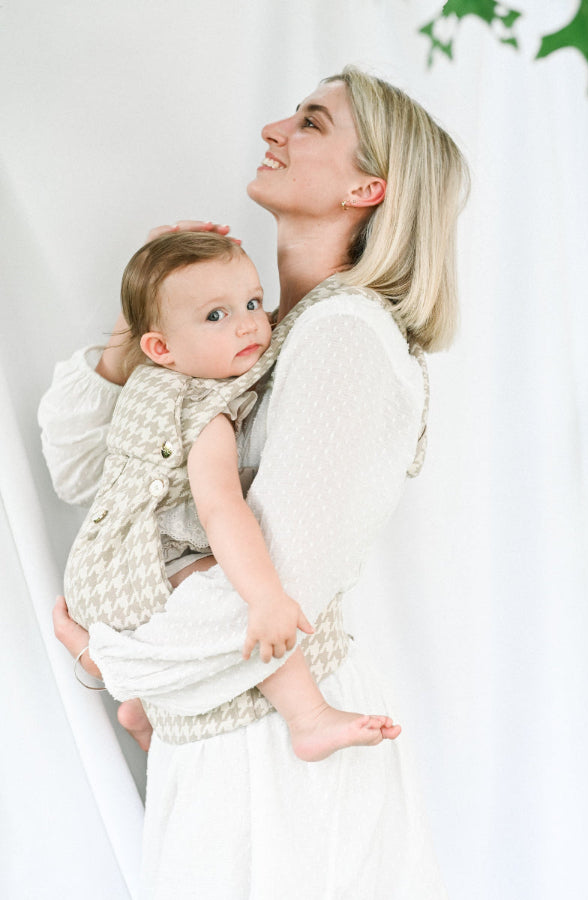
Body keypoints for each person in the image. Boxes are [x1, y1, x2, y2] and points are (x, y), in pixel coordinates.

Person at [41, 65, 468, 898]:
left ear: (368, 186)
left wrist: (112, 656)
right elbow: (83, 471)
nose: (274, 127)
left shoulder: (344, 336)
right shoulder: (253, 337)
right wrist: (148, 330)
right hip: (225, 738)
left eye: (310, 122)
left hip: (278, 756)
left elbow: (274, 596)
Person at [64, 228, 401, 760]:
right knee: (241, 590)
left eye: (253, 302)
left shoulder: (150, 380)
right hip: (130, 568)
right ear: (160, 346)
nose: (248, 323)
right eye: (216, 316)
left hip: (104, 558)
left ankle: (142, 710)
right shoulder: (201, 409)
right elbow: (222, 509)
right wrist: (267, 597)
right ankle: (308, 717)